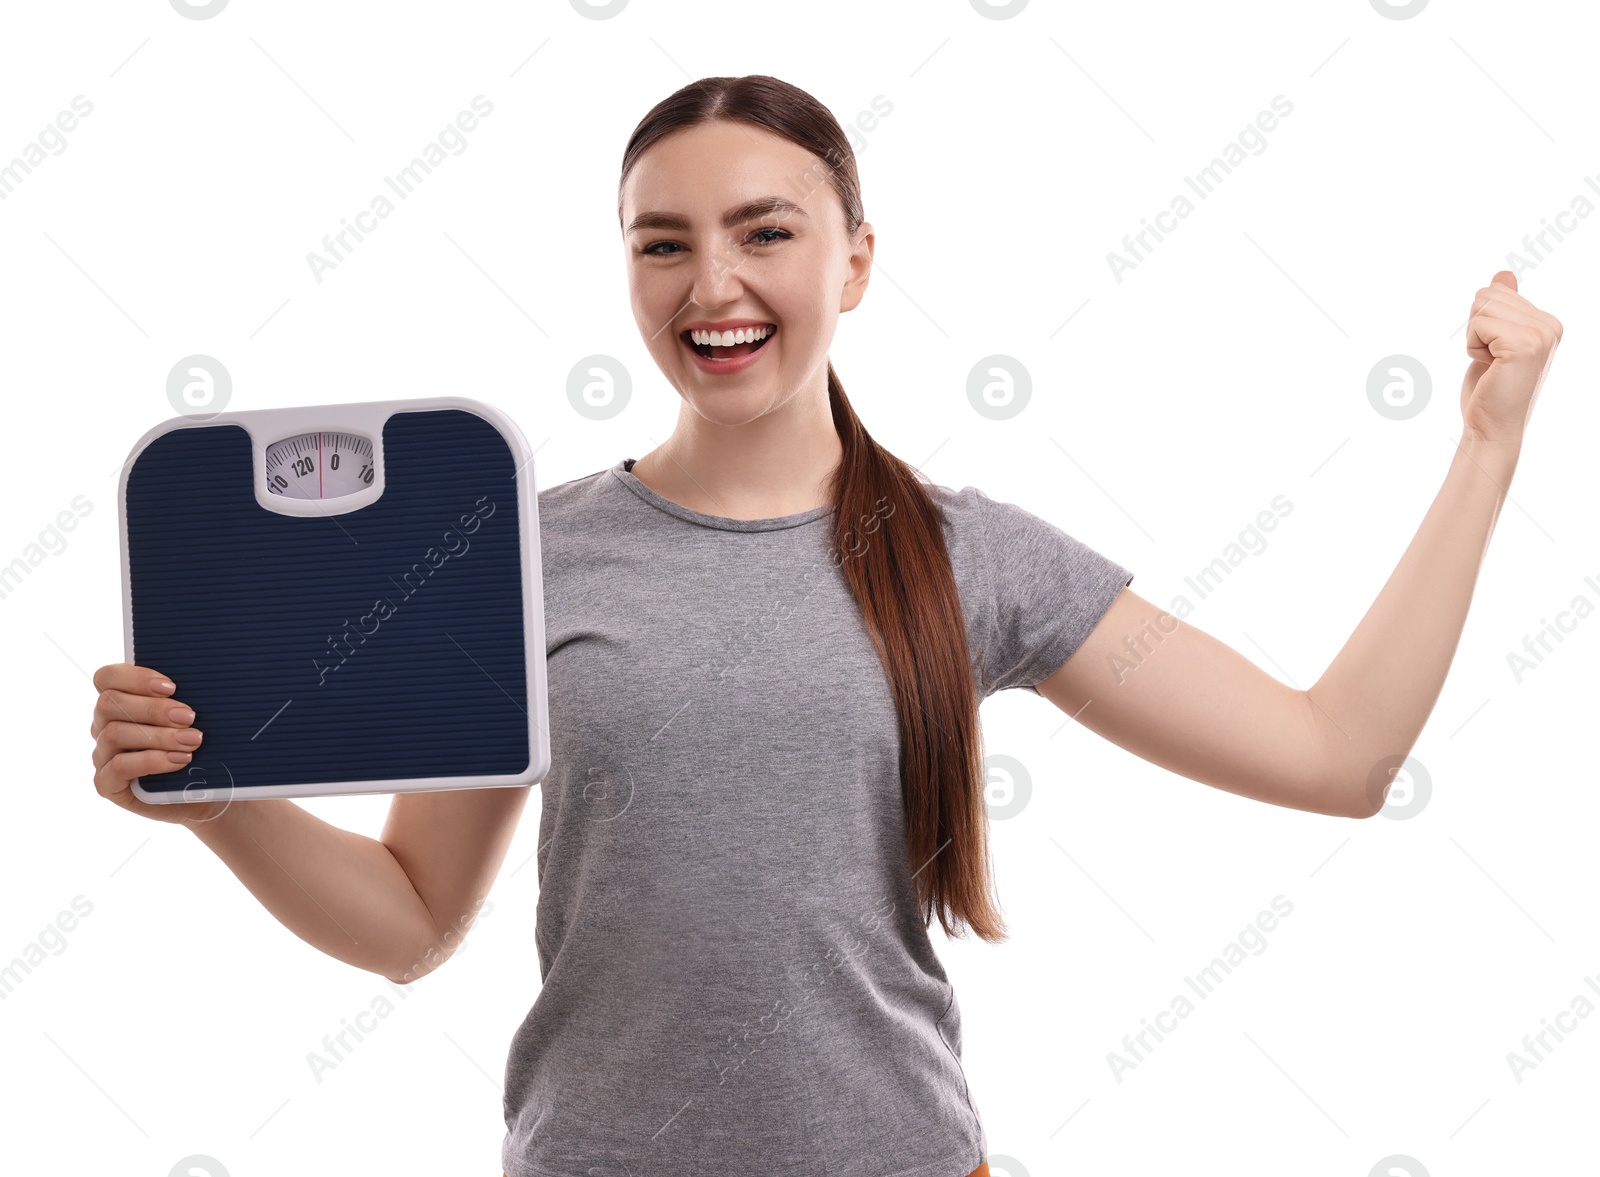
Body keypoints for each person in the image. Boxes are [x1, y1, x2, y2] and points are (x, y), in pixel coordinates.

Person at [88, 75, 1562, 1177]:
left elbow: (1336, 752)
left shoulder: (968, 554)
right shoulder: (513, 555)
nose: (712, 283)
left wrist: (1486, 449)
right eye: (662, 244)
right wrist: (214, 802)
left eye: (764, 231)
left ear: (854, 261)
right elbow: (412, 921)